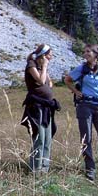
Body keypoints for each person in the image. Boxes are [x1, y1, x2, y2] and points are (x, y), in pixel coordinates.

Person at [64, 44, 98, 181]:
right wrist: (76, 92)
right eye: (85, 52)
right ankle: (90, 169)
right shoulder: (81, 69)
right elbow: (67, 80)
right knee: (86, 138)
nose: (85, 54)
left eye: (88, 52)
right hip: (84, 105)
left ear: (96, 54)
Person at [21, 44, 60, 173]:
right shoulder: (31, 65)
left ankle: (45, 167)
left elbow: (49, 82)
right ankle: (36, 169)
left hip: (46, 107)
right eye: (50, 54)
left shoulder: (40, 67)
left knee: (47, 138)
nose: (51, 57)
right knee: (39, 137)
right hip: (36, 106)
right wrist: (44, 66)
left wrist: (46, 74)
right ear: (43, 55)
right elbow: (41, 81)